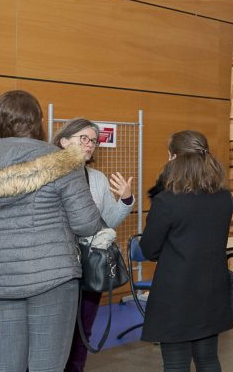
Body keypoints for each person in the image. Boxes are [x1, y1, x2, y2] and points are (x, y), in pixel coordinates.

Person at [0, 90, 103, 372]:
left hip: (3, 275)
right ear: (38, 121)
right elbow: (87, 224)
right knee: (48, 364)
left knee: (8, 363)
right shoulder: (63, 161)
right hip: (52, 274)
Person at [139, 130, 233, 372]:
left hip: (176, 293)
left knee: (176, 363)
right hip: (212, 289)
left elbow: (149, 249)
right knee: (209, 359)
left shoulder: (167, 200)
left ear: (175, 159)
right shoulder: (224, 197)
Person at [52, 118, 136, 372]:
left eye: (94, 141)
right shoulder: (47, 175)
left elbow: (106, 221)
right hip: (57, 267)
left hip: (89, 266)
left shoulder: (97, 178)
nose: (90, 145)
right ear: (63, 141)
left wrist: (126, 200)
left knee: (83, 330)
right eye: (84, 139)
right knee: (55, 331)